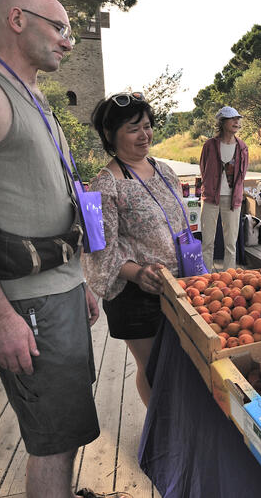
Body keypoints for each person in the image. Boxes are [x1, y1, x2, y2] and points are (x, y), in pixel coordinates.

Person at [0, 0, 128, 498]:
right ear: (18, 19)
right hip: (25, 304)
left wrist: (80, 281)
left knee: (64, 431)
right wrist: (0, 315)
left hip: (61, 288)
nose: (70, 42)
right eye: (61, 27)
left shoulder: (36, 97)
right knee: (50, 441)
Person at [83, 92, 188, 408]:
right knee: (155, 369)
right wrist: (139, 273)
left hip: (181, 286)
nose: (145, 135)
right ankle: (158, 437)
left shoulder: (163, 170)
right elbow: (100, 251)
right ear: (110, 135)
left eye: (147, 125)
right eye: (133, 128)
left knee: (182, 367)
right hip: (137, 296)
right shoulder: (104, 184)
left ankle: (177, 432)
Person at [199, 106, 249, 271]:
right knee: (207, 241)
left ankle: (230, 278)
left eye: (237, 118)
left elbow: (242, 175)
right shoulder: (209, 145)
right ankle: (205, 277)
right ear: (222, 122)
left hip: (232, 199)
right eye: (232, 118)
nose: (236, 121)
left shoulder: (242, 147)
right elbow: (203, 168)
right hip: (211, 198)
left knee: (230, 243)